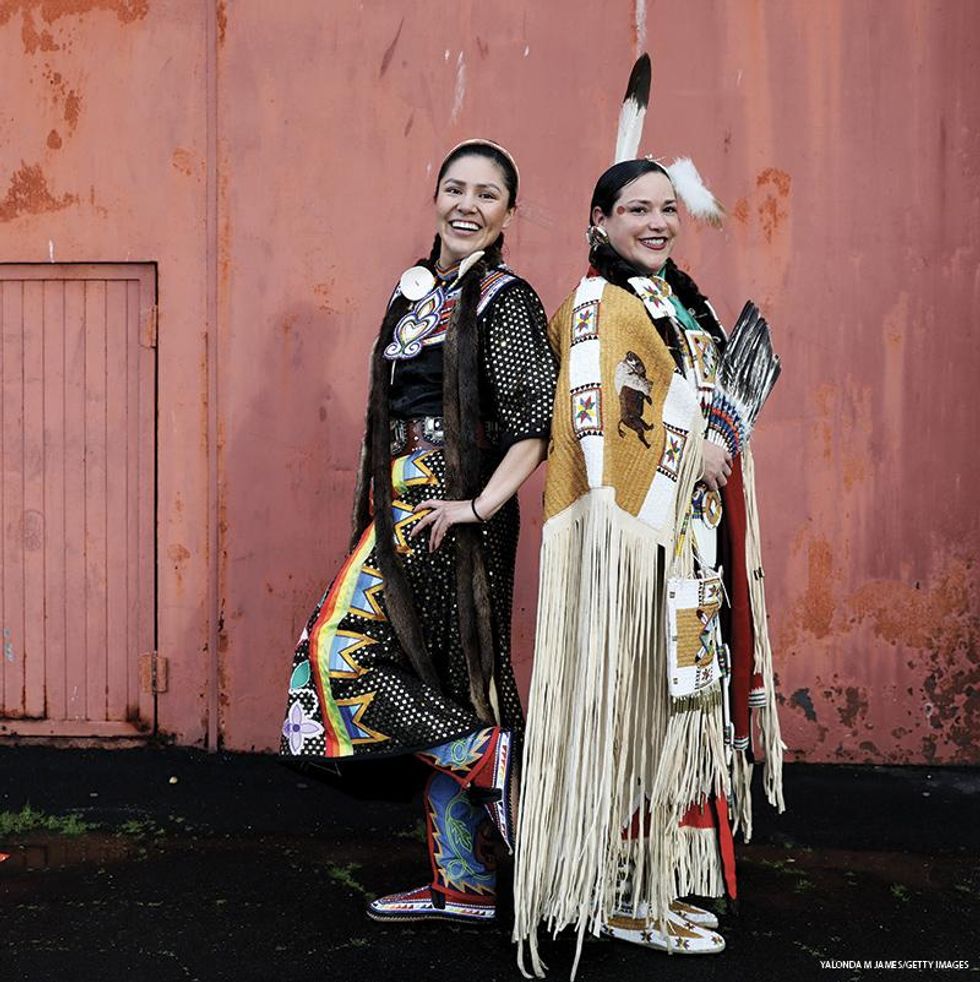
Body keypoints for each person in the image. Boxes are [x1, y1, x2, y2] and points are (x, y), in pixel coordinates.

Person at [513, 158, 784, 976]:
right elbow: (604, 432)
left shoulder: (673, 299)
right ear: (600, 221)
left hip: (690, 545)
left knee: (682, 710)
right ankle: (626, 892)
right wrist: (694, 444)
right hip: (634, 557)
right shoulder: (602, 304)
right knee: (639, 711)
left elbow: (701, 404)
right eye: (637, 209)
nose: (658, 221)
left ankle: (658, 878)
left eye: (668, 207)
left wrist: (722, 434)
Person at [280, 139, 557, 927]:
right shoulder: (415, 296)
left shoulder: (506, 297)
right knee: (435, 684)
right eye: (455, 188)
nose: (468, 205)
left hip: (445, 515)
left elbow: (536, 424)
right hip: (398, 508)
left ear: (508, 213)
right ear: (434, 195)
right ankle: (463, 883)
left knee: (333, 659)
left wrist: (476, 508)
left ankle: (490, 758)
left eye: (489, 195)